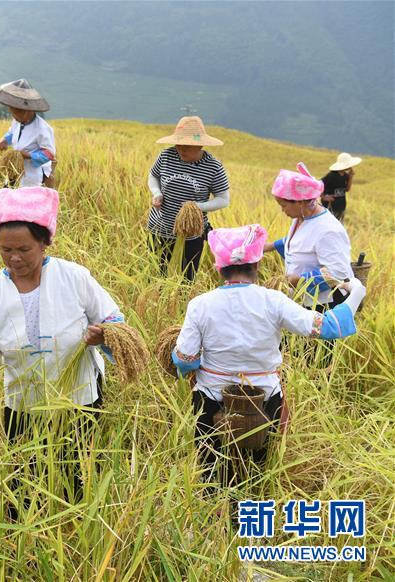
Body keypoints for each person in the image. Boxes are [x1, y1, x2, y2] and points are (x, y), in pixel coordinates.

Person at [0, 186, 126, 514]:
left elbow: (115, 322)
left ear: (45, 243)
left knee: (77, 478)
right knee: (23, 483)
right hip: (22, 404)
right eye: (5, 250)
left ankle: (76, 540)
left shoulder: (74, 278)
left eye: (24, 249)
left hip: (79, 400)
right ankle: (22, 547)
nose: (15, 258)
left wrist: (103, 337)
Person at [173, 224, 365, 491]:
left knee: (211, 473)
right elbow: (331, 327)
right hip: (264, 403)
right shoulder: (274, 300)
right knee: (255, 475)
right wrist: (356, 293)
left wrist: (188, 366)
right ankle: (250, 524)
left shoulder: (200, 304)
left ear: (219, 268)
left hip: (212, 402)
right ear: (257, 264)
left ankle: (212, 524)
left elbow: (184, 359)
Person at [147, 116, 230, 282]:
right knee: (156, 275)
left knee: (187, 278)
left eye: (186, 146)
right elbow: (153, 176)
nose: (180, 149)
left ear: (200, 145)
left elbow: (223, 199)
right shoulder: (166, 156)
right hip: (160, 227)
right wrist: (156, 193)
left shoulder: (213, 167)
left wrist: (197, 207)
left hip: (192, 232)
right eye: (178, 144)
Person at [264, 163, 353, 311]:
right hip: (304, 300)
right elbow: (301, 242)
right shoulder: (301, 217)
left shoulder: (327, 230)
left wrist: (298, 280)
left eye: (283, 205)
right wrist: (270, 246)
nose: (282, 210)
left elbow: (338, 272)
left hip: (325, 304)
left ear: (299, 202)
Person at [0, 79, 56, 188]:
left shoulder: (42, 129)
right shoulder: (17, 121)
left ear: (27, 111)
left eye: (15, 113)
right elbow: (12, 133)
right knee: (9, 195)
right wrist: (5, 140)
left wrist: (27, 155)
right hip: (14, 170)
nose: (13, 116)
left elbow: (49, 154)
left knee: (27, 201)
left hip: (32, 176)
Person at [320, 152, 361, 222]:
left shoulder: (345, 176)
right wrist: (324, 197)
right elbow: (319, 185)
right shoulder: (331, 175)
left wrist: (351, 177)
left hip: (341, 206)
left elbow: (347, 189)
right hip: (330, 207)